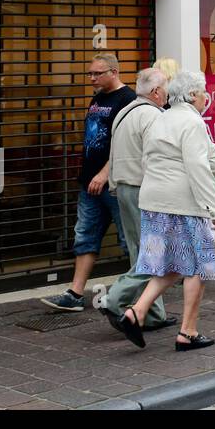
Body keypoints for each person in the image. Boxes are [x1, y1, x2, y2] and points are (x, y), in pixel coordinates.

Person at [115, 70, 215, 351]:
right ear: (191, 95)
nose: (206, 97)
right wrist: (214, 209)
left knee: (172, 265)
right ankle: (187, 332)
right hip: (184, 202)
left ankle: (136, 311)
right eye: (202, 92)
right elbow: (198, 167)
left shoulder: (161, 119)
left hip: (153, 201)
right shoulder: (192, 122)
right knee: (197, 266)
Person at [41, 52, 137, 312]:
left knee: (129, 240)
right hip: (89, 182)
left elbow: (125, 144)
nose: (92, 78)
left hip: (113, 184)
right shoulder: (97, 99)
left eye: (97, 73)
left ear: (114, 72)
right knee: (85, 235)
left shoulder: (129, 100)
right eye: (90, 73)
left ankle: (139, 296)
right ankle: (74, 293)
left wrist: (105, 173)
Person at [101, 67, 172, 331]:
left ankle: (153, 314)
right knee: (154, 253)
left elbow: (114, 151)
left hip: (122, 188)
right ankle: (114, 299)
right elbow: (157, 158)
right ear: (155, 92)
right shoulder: (153, 116)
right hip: (144, 190)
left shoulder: (124, 112)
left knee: (139, 250)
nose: (167, 92)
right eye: (165, 87)